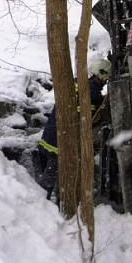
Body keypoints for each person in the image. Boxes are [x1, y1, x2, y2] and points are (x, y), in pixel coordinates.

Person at [37, 58, 111, 201]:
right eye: (105, 78)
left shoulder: (77, 83)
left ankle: (51, 203)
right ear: (101, 74)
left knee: (54, 175)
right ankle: (40, 205)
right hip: (60, 140)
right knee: (52, 177)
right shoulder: (92, 92)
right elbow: (87, 119)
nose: (106, 82)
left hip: (51, 133)